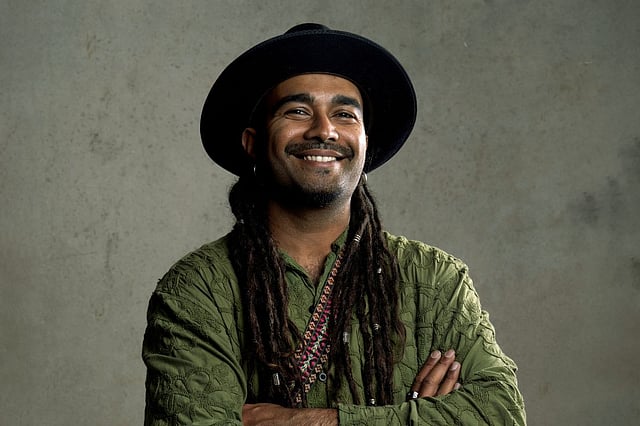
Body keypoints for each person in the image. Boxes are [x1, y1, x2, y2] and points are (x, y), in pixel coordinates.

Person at [142, 23, 526, 425]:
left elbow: (500, 414)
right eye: (298, 111)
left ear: (365, 145)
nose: (324, 130)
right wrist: (417, 417)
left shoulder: (434, 279)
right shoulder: (198, 288)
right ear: (252, 143)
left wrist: (301, 421)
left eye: (344, 114)